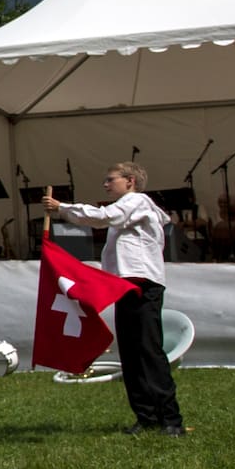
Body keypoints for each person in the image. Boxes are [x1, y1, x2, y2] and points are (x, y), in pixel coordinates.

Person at [45, 163, 186, 436]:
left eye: (111, 180)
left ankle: (170, 419)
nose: (106, 185)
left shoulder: (137, 201)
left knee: (148, 352)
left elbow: (102, 217)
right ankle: (146, 417)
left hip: (143, 286)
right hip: (125, 286)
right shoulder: (127, 211)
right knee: (132, 354)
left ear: (130, 181)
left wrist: (61, 207)